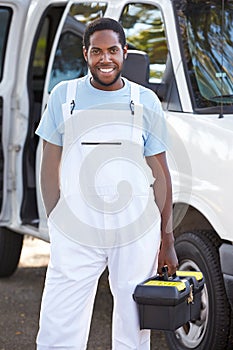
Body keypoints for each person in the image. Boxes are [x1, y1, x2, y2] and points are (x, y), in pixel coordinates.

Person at [36, 17, 178, 350]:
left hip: (133, 229)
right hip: (76, 229)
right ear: (85, 54)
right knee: (59, 320)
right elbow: (48, 164)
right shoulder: (63, 96)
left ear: (125, 52)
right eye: (97, 51)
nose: (105, 59)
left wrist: (166, 238)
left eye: (112, 50)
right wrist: (56, 219)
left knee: (133, 322)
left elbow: (161, 174)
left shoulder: (145, 102)